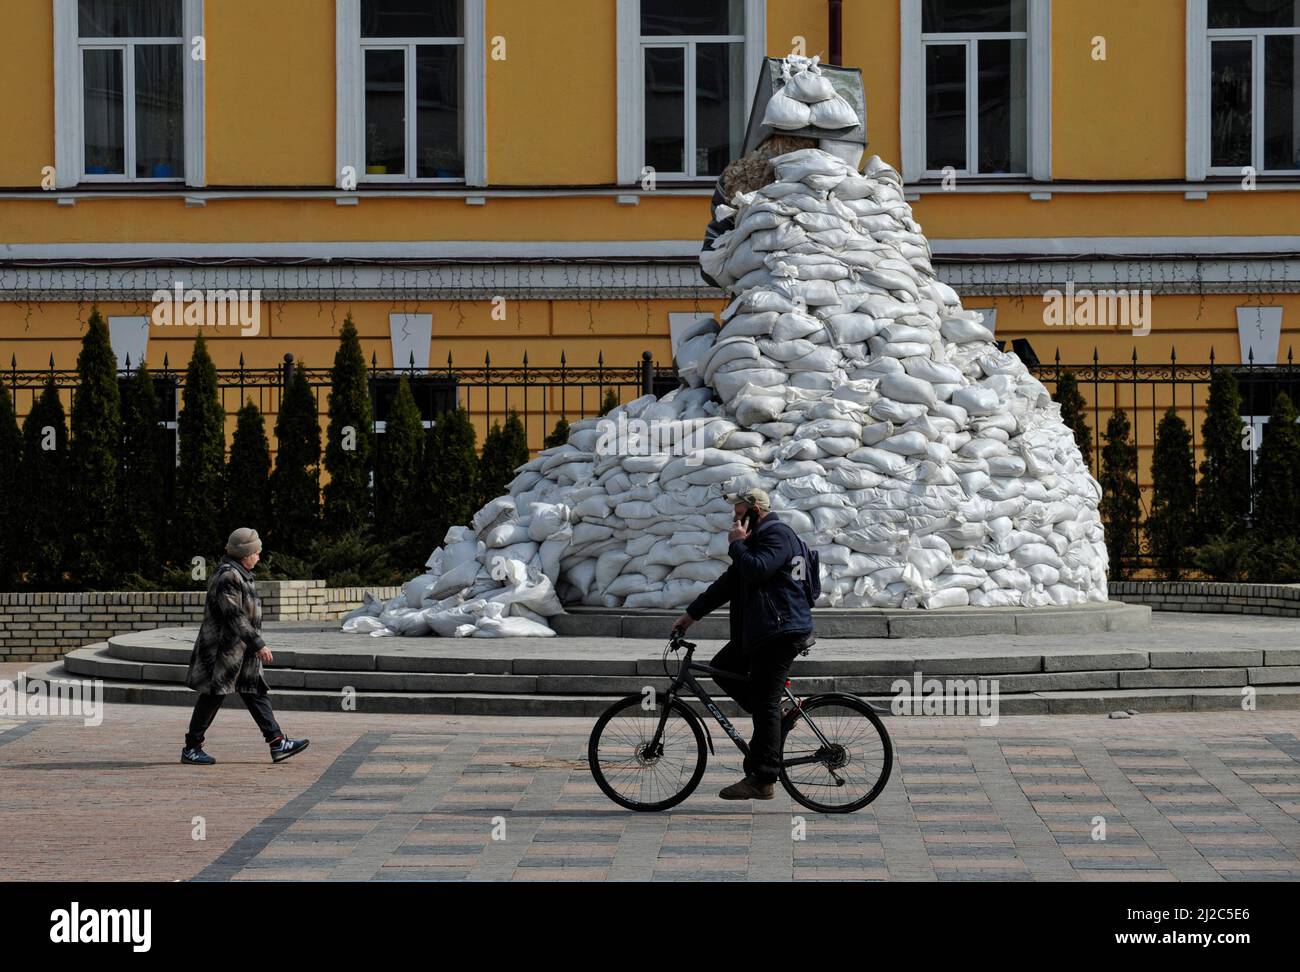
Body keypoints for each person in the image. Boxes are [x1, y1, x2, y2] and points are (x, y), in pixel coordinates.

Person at [672, 488, 815, 800]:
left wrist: (736, 544)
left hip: (780, 632)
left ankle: (763, 779)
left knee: (764, 701)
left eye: (739, 516)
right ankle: (775, 717)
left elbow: (758, 569)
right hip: (763, 631)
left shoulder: (776, 535)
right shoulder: (756, 542)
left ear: (755, 513)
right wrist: (689, 616)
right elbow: (729, 583)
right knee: (722, 668)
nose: (734, 523)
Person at [181, 528, 309, 765]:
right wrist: (258, 643)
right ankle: (192, 747)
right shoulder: (227, 576)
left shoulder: (241, 574)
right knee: (212, 696)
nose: (259, 556)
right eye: (256, 552)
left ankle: (277, 742)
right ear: (244, 553)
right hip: (224, 651)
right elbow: (234, 615)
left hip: (242, 650)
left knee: (255, 692)